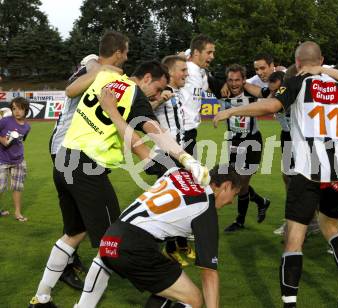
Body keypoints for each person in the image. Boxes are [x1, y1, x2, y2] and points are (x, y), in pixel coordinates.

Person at [214, 41, 338, 308]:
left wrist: (231, 109)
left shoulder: (298, 82)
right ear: (321, 60)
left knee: (294, 240)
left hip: (307, 171)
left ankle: (290, 304)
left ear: (297, 63)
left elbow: (270, 106)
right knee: (331, 226)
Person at [28, 58, 210, 307]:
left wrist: (148, 158)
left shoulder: (106, 78)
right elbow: (152, 128)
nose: (155, 95)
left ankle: (41, 298)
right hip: (87, 168)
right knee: (111, 246)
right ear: (146, 78)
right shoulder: (135, 93)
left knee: (73, 233)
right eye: (156, 88)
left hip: (64, 160)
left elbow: (74, 92)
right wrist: (183, 157)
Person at [73, 162, 240, 308]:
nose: (232, 201)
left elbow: (145, 152)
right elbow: (209, 273)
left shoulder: (180, 172)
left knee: (168, 284)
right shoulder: (206, 209)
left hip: (112, 235)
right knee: (193, 299)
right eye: (235, 194)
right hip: (135, 246)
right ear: (225, 186)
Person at [48, 31, 125, 292]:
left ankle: (64, 264)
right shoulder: (94, 64)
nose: (125, 59)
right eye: (125, 53)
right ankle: (71, 266)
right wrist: (105, 70)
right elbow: (71, 89)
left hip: (73, 148)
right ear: (118, 52)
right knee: (88, 222)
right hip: (68, 147)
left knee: (77, 219)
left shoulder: (100, 70)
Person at [148, 55, 196, 267]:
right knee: (170, 203)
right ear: (170, 73)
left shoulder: (177, 92)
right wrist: (160, 99)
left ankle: (180, 244)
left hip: (179, 153)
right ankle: (167, 249)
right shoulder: (159, 91)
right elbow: (141, 113)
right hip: (165, 155)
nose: (186, 74)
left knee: (184, 199)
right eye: (183, 70)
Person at [212, 64, 270, 232]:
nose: (234, 83)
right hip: (233, 142)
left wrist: (245, 85)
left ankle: (240, 221)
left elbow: (267, 92)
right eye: (230, 80)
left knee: (241, 184)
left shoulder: (251, 93)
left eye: (238, 80)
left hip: (252, 142)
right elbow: (208, 75)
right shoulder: (223, 92)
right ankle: (260, 201)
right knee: (237, 182)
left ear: (244, 80)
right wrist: (223, 83)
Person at [181, 34, 215, 157]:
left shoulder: (201, 73)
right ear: (196, 52)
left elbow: (207, 89)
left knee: (186, 172)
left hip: (190, 130)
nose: (212, 56)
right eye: (209, 52)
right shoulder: (185, 69)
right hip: (180, 130)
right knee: (186, 172)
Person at [0, 97, 30, 222]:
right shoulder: (5, 121)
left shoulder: (27, 127)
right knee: (0, 187)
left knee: (17, 188)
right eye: (14, 108)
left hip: (18, 161)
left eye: (20, 108)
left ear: (25, 110)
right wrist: (3, 141)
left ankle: (17, 213)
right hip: (2, 159)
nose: (17, 111)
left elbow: (21, 141)